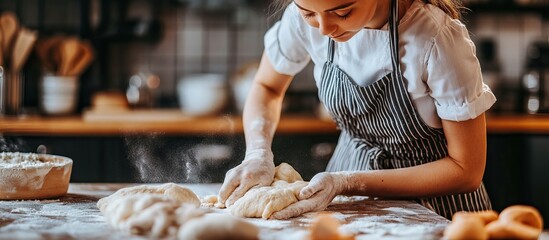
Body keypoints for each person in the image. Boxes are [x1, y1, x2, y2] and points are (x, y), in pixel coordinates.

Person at [218, 0, 497, 220]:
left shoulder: (435, 39)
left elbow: (467, 170)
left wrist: (347, 182)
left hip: (438, 208)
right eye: (308, 14)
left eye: (342, 12)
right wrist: (258, 153)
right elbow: (267, 86)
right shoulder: (308, 20)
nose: (324, 28)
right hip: (345, 201)